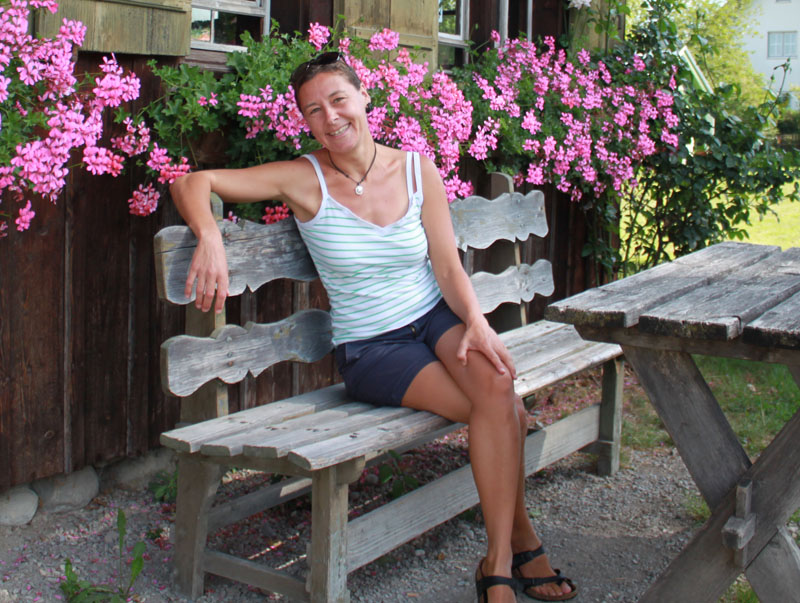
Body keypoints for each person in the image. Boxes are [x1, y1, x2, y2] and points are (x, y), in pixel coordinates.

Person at [170, 51, 577, 603]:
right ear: (306, 122)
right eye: (314, 110)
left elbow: (447, 267)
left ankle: (500, 559)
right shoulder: (302, 178)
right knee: (501, 406)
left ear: (364, 98)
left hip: (434, 319)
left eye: (339, 100)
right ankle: (512, 555)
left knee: (498, 388)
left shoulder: (415, 169)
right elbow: (193, 182)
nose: (330, 117)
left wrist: (477, 323)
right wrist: (210, 236)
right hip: (373, 348)